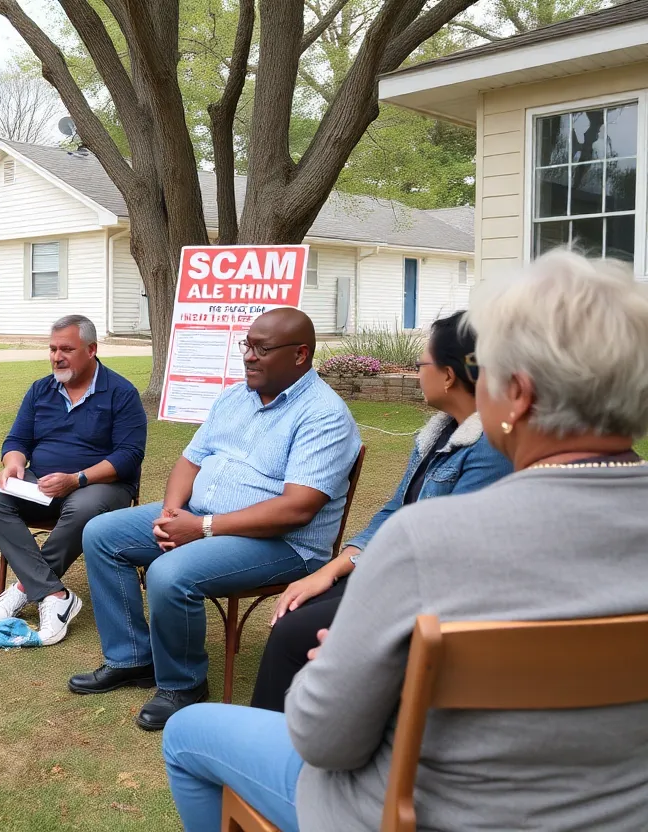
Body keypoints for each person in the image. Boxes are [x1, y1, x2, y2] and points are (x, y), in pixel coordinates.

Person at [163, 250, 648, 831]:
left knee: (187, 733)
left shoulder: (428, 540)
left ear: (516, 394)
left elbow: (326, 741)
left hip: (420, 811)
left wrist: (336, 672)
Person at [70, 308, 361, 731]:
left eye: (262, 348)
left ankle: (183, 685)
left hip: (283, 544)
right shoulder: (234, 397)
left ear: (300, 355)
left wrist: (201, 529)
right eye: (247, 345)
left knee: (170, 572)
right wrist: (173, 513)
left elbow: (298, 507)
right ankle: (132, 657)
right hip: (202, 517)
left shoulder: (324, 415)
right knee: (100, 532)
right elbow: (190, 461)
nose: (249, 356)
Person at [249, 310, 512, 712]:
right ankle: (284, 741)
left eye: (421, 364)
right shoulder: (438, 432)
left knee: (293, 633)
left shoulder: (490, 447)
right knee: (296, 609)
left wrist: (370, 585)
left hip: (427, 595)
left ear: (448, 376)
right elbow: (394, 511)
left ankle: (271, 752)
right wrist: (331, 570)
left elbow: (448, 550)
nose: (417, 372)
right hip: (394, 574)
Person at [0, 314, 146, 645]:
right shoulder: (41, 389)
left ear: (92, 349)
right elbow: (17, 441)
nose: (57, 356)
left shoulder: (121, 393)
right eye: (52, 349)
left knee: (83, 508)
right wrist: (13, 463)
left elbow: (129, 456)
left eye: (66, 348)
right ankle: (54, 592)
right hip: (42, 481)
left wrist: (77, 479)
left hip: (101, 484)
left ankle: (25, 588)